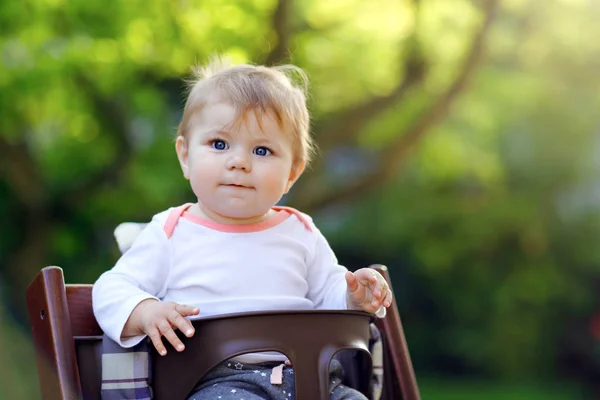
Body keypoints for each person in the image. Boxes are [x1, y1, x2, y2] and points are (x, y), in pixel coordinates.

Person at [92, 57, 393, 400]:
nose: (240, 162)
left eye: (262, 150)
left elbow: (329, 296)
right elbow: (112, 287)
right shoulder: (171, 232)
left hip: (315, 380)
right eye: (219, 144)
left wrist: (353, 296)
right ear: (186, 156)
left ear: (292, 173)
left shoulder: (301, 232)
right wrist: (146, 311)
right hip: (213, 381)